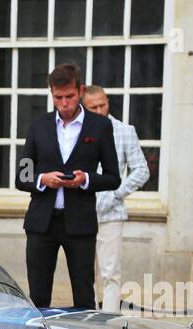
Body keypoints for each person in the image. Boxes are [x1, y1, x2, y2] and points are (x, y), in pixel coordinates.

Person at [15, 63, 120, 310]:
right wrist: (43, 180)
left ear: (80, 91)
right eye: (58, 97)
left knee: (84, 296)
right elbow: (22, 176)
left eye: (69, 97)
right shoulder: (38, 125)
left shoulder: (100, 126)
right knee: (38, 296)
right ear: (51, 93)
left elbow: (113, 177)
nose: (64, 103)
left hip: (80, 223)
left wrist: (86, 180)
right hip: (42, 224)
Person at [82, 85, 151, 313]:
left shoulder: (124, 131)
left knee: (110, 273)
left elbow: (141, 170)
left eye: (103, 104)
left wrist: (115, 194)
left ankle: (107, 324)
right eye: (94, 107)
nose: (100, 110)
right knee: (83, 273)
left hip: (111, 213)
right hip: (81, 210)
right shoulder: (77, 132)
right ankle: (86, 322)